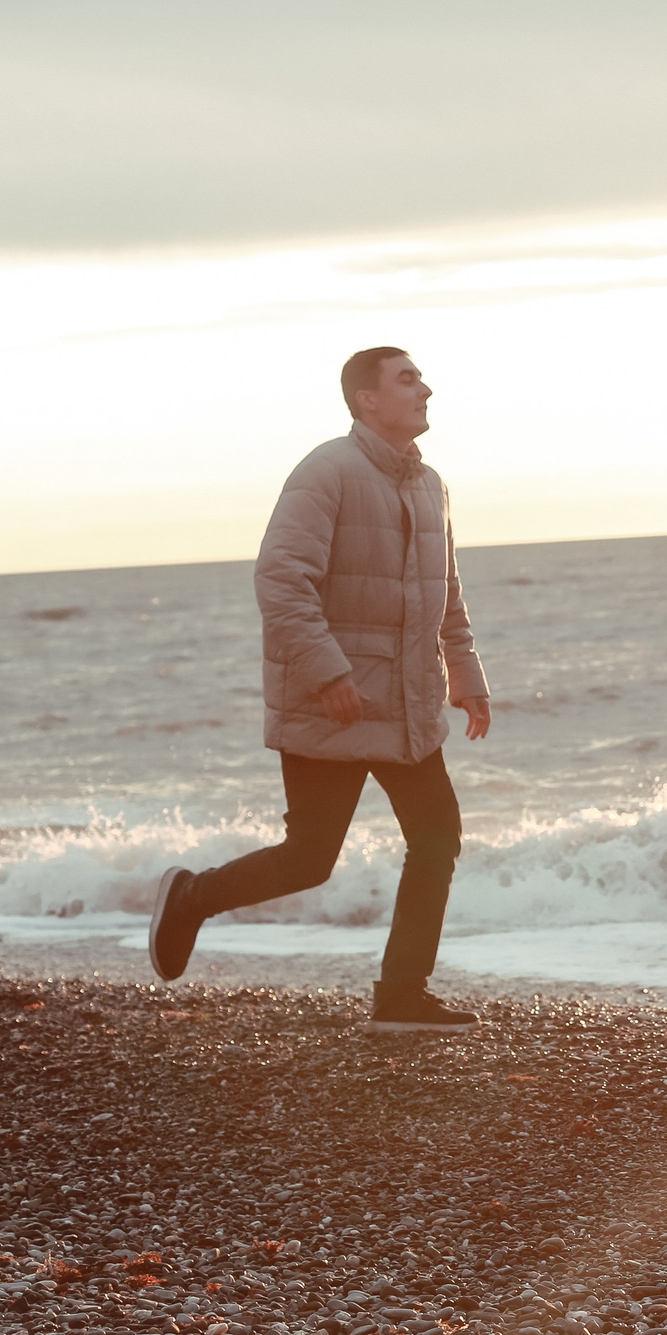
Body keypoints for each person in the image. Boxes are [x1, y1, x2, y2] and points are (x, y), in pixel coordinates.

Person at [145, 346, 494, 1032]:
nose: (426, 388)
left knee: (436, 836)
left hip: (405, 709)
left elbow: (445, 593)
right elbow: (279, 578)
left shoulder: (431, 486)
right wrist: (329, 672)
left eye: (420, 377)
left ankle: (401, 995)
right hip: (332, 704)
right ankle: (189, 897)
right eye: (407, 379)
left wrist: (466, 674)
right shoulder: (326, 471)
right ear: (368, 400)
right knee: (309, 860)